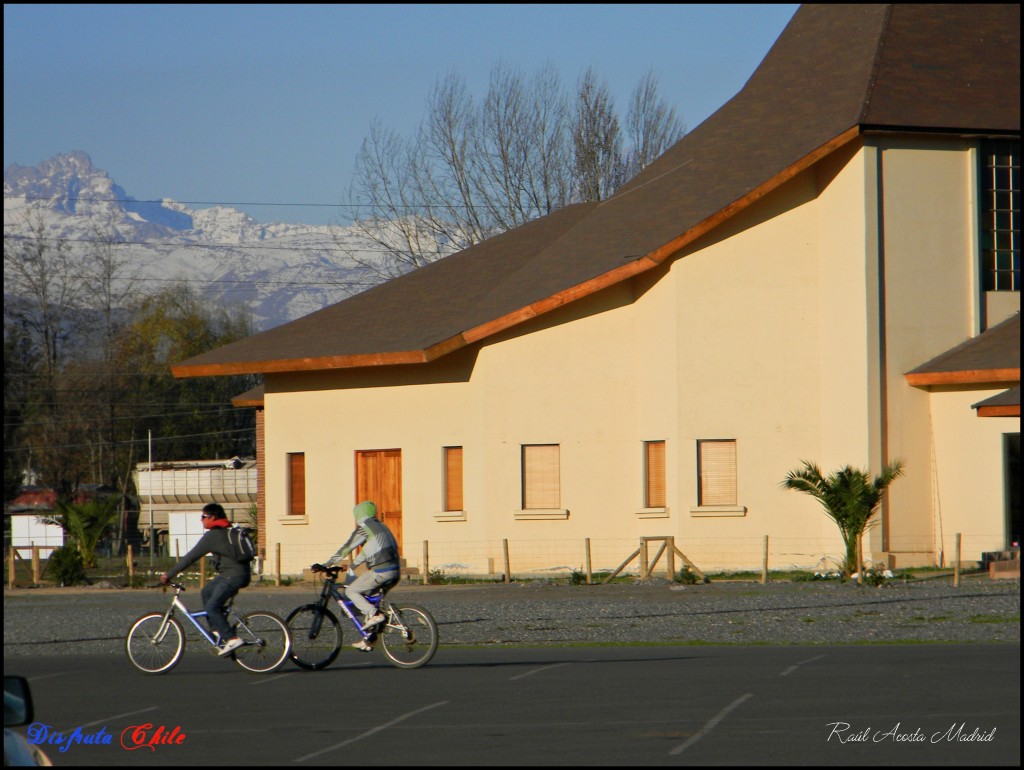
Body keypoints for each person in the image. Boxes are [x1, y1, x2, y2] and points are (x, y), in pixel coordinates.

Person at [160, 502, 251, 656]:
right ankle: (217, 630)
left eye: (203, 517)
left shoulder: (213, 536)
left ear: (212, 517)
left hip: (232, 576)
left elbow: (189, 558)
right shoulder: (230, 530)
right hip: (240, 574)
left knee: (212, 607)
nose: (201, 520)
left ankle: (232, 638)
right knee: (206, 592)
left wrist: (169, 575)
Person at [317, 500, 400, 652]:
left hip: (382, 571)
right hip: (395, 571)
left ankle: (374, 614)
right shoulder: (381, 526)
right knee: (366, 600)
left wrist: (326, 564)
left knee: (351, 591)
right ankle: (368, 639)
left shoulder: (364, 527)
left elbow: (347, 548)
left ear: (359, 515)